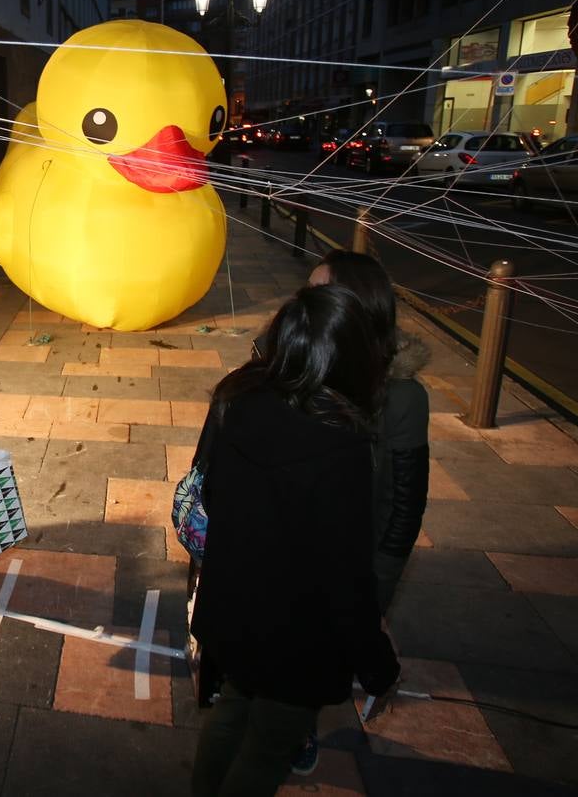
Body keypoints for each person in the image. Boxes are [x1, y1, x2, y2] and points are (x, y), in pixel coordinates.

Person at [189, 285, 400, 797]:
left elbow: (211, 495)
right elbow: (346, 578)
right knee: (266, 751)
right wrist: (377, 665)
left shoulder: (238, 403)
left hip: (233, 614)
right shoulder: (343, 450)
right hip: (295, 641)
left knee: (229, 715)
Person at [308, 250, 430, 610]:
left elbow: (403, 508)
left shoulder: (402, 398)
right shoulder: (297, 369)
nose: (304, 303)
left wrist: (378, 588)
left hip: (350, 573)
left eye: (319, 293)